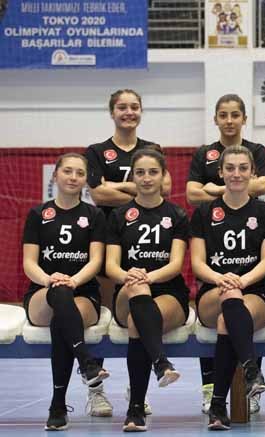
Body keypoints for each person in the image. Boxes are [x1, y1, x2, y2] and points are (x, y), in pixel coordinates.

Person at [85, 89, 171, 417]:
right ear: (112, 112)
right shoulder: (97, 151)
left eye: (134, 107)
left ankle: (137, 389)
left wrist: (117, 186)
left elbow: (164, 189)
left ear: (141, 111)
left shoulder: (152, 149)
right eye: (122, 107)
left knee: (139, 318)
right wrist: (138, 194)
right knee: (104, 320)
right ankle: (96, 390)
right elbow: (98, 194)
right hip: (109, 241)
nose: (128, 112)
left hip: (146, 245)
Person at [187, 94, 265, 414]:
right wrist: (223, 279)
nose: (237, 174)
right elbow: (197, 263)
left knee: (229, 320)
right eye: (230, 168)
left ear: (252, 173)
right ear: (220, 172)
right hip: (214, 289)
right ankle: (250, 369)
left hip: (254, 290)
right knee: (229, 301)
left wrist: (242, 281)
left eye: (243, 168)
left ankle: (218, 404)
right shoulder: (204, 213)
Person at [23, 153, 110, 430]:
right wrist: (49, 280)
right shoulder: (38, 214)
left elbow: (96, 261)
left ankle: (58, 406)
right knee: (59, 295)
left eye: (80, 173)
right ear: (55, 175)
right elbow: (29, 263)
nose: (73, 177)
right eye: (67, 171)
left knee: (63, 319)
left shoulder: (95, 215)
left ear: (85, 180)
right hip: (43, 293)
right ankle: (86, 361)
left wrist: (73, 280)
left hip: (84, 293)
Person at [105, 148, 188, 431]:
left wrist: (148, 277)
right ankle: (160, 362)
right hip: (127, 292)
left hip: (168, 293)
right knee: (137, 293)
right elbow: (111, 266)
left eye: (153, 172)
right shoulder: (119, 215)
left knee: (136, 322)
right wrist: (130, 276)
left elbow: (175, 265)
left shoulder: (177, 214)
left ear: (164, 176)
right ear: (133, 177)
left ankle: (135, 410)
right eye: (140, 172)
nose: (146, 178)